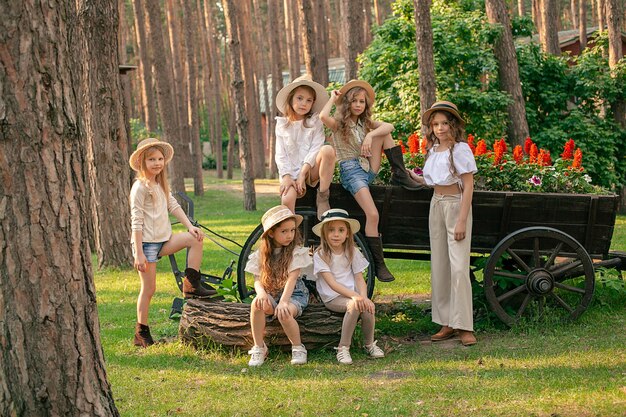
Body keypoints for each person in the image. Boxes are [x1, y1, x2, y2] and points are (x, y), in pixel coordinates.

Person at [320, 79, 421, 282]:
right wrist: (332, 98)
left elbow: (389, 126)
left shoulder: (364, 124)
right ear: (347, 103)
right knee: (372, 214)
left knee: (384, 134)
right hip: (352, 172)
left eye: (362, 102)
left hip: (367, 168)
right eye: (354, 101)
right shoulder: (340, 124)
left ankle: (399, 174)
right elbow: (323, 116)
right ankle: (379, 264)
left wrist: (370, 135)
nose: (358, 105)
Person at [129, 138, 214, 348]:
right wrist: (138, 253)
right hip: (146, 245)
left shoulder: (159, 184)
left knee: (195, 238)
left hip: (163, 241)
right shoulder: (140, 188)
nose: (157, 163)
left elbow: (173, 206)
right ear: (142, 161)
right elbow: (136, 222)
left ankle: (192, 285)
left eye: (160, 159)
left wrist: (189, 226)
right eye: (152, 159)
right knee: (149, 289)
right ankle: (141, 332)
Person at [408, 101, 477, 346]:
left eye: (444, 123)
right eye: (435, 124)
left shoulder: (460, 149)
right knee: (441, 266)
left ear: (453, 125)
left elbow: (468, 185)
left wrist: (461, 221)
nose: (439, 128)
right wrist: (411, 176)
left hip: (456, 205)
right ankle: (446, 322)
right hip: (436, 205)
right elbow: (433, 181)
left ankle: (464, 326)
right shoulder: (433, 150)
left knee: (459, 267)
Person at [312, 209, 385, 364]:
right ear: (324, 233)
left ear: (347, 234)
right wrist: (355, 297)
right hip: (332, 297)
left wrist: (363, 297)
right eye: (331, 230)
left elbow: (359, 278)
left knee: (365, 306)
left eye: (341, 230)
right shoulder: (321, 254)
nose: (336, 234)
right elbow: (331, 283)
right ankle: (343, 347)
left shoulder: (352, 252)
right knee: (355, 305)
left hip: (352, 295)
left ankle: (369, 344)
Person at [244, 205, 311, 366]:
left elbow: (292, 279)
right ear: (272, 233)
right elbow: (257, 280)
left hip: (294, 294)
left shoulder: (296, 251)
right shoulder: (261, 255)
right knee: (256, 304)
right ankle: (259, 347)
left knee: (285, 312)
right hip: (272, 293)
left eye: (292, 230)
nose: (290, 235)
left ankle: (298, 347)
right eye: (284, 231)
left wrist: (284, 302)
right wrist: (261, 294)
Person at [275, 74, 335, 220]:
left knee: (327, 150)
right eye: (299, 98)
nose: (304, 104)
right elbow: (280, 154)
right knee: (287, 199)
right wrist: (287, 176)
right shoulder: (282, 125)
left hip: (310, 170)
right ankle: (291, 234)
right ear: (291, 99)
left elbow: (315, 148)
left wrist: (302, 174)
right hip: (290, 172)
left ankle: (322, 196)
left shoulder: (315, 122)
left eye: (309, 100)